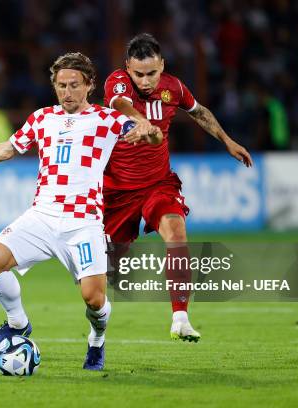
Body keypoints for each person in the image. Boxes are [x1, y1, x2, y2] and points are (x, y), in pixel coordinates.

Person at [0, 52, 153, 370]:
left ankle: (96, 340)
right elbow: (8, 148)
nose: (67, 92)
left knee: (94, 299)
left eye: (74, 85)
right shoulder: (42, 118)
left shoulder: (107, 120)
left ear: (89, 85)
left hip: (84, 223)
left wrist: (149, 129)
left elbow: (151, 133)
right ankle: (18, 324)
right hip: (42, 216)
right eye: (61, 85)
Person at [103, 33, 253, 342]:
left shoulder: (174, 87)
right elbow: (119, 103)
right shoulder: (117, 82)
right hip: (117, 191)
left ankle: (180, 317)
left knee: (176, 232)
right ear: (128, 68)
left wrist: (227, 141)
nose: (145, 81)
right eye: (139, 74)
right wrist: (139, 119)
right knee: (111, 266)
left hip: (158, 183)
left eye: (152, 73)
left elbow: (199, 111)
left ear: (162, 65)